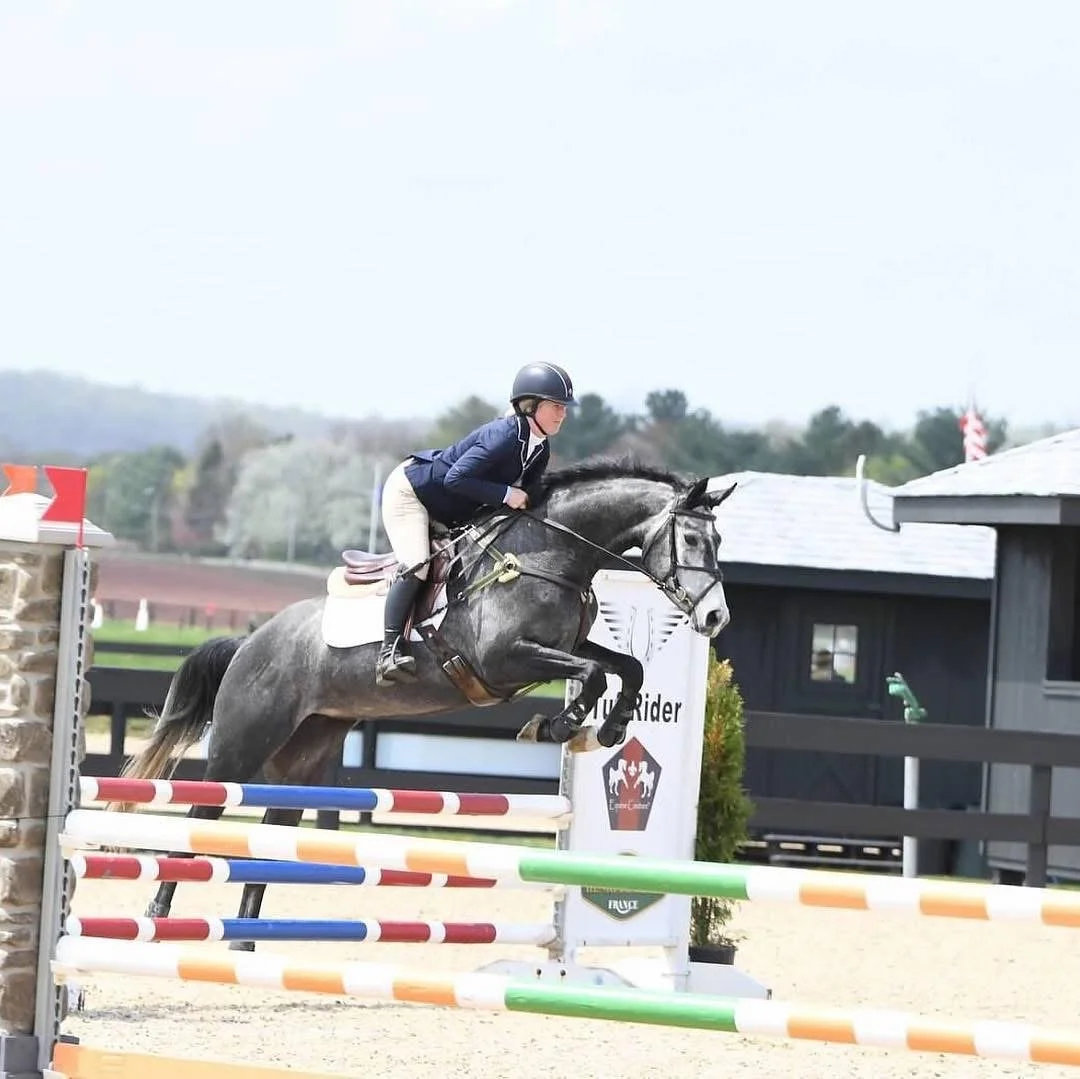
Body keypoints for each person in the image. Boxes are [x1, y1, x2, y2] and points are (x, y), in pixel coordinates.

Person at [375, 361, 577, 686]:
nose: (563, 414)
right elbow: (456, 478)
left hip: (452, 506)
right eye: (556, 406)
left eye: (564, 407)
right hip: (413, 493)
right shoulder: (504, 436)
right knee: (417, 563)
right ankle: (389, 651)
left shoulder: (539, 449)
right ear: (531, 405)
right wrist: (506, 494)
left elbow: (529, 497)